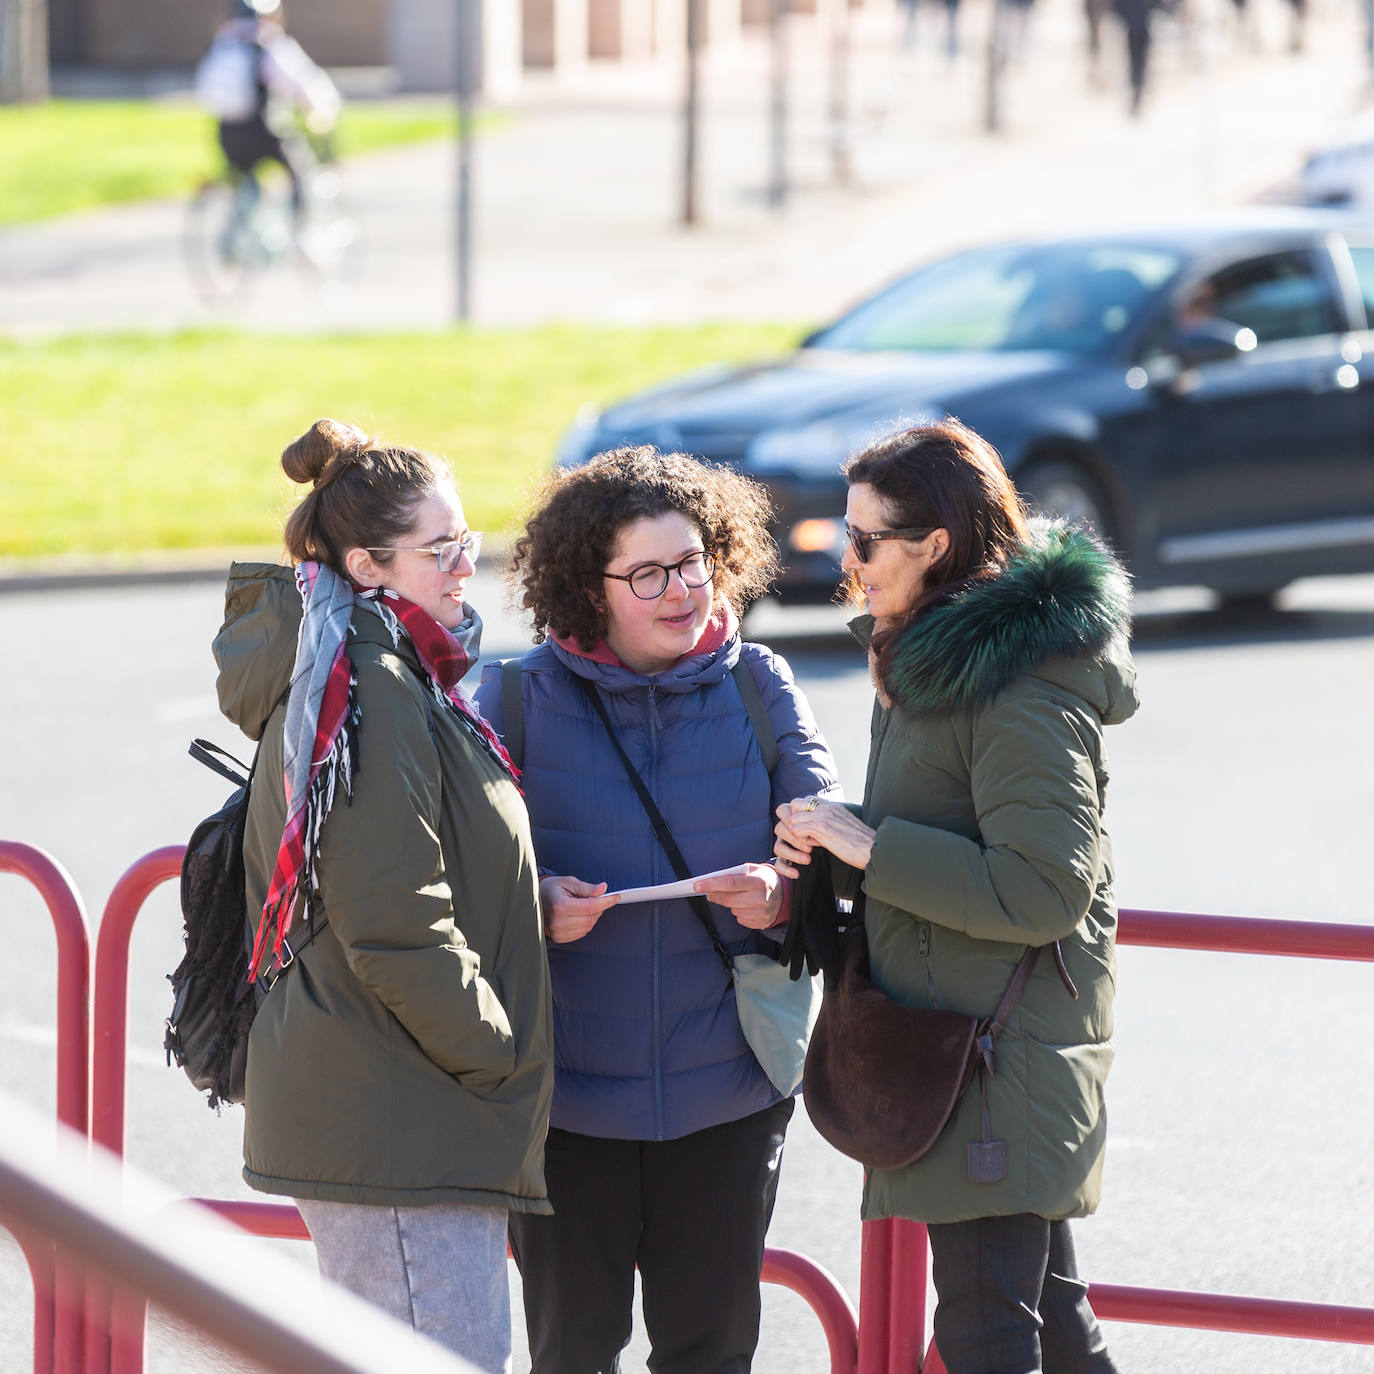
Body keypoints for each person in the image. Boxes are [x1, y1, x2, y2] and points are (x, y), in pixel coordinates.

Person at [774, 420, 1136, 1374]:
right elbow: (951, 831)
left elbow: (1046, 886)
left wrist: (868, 844)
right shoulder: (931, 659)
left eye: (865, 541)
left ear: (935, 545)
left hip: (993, 1056)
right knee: (1050, 1326)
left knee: (986, 1335)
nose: (845, 561)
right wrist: (840, 839)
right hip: (971, 1043)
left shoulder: (1016, 684)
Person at [473, 445, 840, 1374]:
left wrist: (777, 892)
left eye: (691, 564)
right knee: (573, 1350)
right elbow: (456, 876)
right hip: (567, 1104)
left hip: (726, 1093)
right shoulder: (512, 699)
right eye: (646, 573)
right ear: (587, 587)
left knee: (710, 1351)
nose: (680, 591)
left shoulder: (760, 685)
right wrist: (532, 907)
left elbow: (830, 849)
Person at [213, 418, 553, 1374]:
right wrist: (494, 1054)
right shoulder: (369, 678)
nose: (462, 569)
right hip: (401, 1110)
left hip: (401, 1101)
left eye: (466, 544)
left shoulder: (382, 661)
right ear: (366, 564)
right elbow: (392, 908)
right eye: (439, 551)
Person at [195, 0, 341, 221]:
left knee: (246, 178)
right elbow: (300, 82)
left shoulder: (223, 43)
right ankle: (304, 238)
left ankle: (240, 226)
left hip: (227, 133)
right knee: (301, 172)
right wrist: (322, 108)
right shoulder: (268, 41)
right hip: (263, 131)